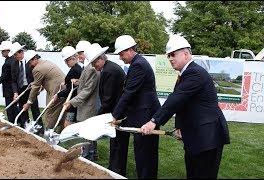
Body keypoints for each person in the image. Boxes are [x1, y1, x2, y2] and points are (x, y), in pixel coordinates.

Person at [140, 34, 230, 179]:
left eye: (173, 55)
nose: (170, 59)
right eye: (168, 56)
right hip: (197, 136)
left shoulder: (194, 73)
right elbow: (182, 104)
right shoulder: (186, 74)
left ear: (186, 54)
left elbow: (176, 99)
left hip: (207, 138)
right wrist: (179, 127)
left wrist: (153, 121)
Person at [111, 35, 161, 179]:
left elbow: (129, 93)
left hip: (145, 114)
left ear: (130, 50)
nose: (120, 57)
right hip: (142, 113)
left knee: (145, 153)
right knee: (145, 152)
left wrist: (115, 116)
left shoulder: (138, 64)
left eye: (121, 54)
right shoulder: (138, 63)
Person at [87, 43, 128, 176]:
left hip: (117, 113)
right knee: (115, 142)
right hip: (116, 111)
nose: (94, 66)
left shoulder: (109, 71)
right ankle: (114, 168)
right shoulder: (109, 68)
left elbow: (108, 99)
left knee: (117, 143)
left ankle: (116, 171)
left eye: (94, 63)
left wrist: (98, 116)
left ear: (100, 59)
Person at [63, 41, 100, 161]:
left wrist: (72, 102)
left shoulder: (91, 68)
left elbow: (87, 90)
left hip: (89, 105)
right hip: (86, 104)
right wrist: (78, 82)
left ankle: (88, 156)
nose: (79, 56)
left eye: (80, 53)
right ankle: (91, 154)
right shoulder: (87, 67)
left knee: (87, 132)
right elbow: (85, 84)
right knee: (89, 131)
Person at [22, 50, 66, 133]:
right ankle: (59, 134)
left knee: (50, 113)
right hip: (63, 89)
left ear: (34, 59)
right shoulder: (46, 62)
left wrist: (29, 102)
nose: (30, 65)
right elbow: (47, 79)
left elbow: (35, 87)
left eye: (30, 63)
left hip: (57, 90)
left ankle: (48, 134)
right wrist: (39, 87)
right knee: (60, 113)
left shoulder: (37, 69)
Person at [8, 42, 42, 131]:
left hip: (31, 88)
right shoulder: (14, 63)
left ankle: (39, 128)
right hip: (21, 89)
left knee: (35, 108)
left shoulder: (31, 60)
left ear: (21, 52)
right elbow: (13, 80)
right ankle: (26, 127)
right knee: (23, 109)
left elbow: (39, 75)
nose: (14, 57)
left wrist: (38, 87)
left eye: (15, 55)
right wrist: (15, 92)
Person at [53, 46, 82, 127]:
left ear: (73, 58)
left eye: (67, 60)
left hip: (73, 100)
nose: (66, 63)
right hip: (74, 100)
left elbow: (71, 89)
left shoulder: (76, 70)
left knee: (67, 124)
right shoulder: (76, 68)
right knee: (69, 123)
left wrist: (58, 95)